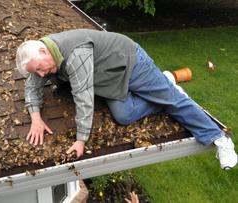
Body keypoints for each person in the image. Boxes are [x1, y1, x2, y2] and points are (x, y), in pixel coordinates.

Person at [16, 29, 237, 170]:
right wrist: (35, 118)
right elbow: (32, 88)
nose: (42, 76)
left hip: (130, 62)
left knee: (173, 102)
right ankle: (165, 81)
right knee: (124, 115)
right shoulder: (42, 60)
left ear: (44, 51)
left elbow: (83, 98)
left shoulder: (76, 55)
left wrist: (81, 140)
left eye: (40, 69)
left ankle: (218, 138)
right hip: (109, 78)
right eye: (36, 72)